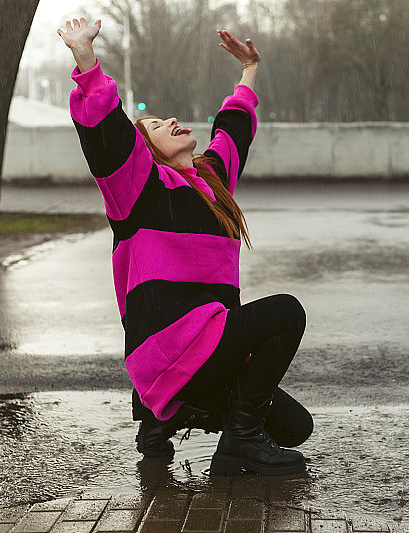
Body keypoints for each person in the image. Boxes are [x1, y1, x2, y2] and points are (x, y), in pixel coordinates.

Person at [58, 17, 312, 476]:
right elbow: (108, 136)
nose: (171, 121)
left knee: (296, 427)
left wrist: (249, 69)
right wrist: (86, 61)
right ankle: (236, 441)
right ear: (146, 149)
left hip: (210, 347)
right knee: (286, 312)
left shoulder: (211, 180)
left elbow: (234, 129)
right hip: (171, 350)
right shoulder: (137, 187)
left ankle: (170, 415)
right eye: (155, 125)